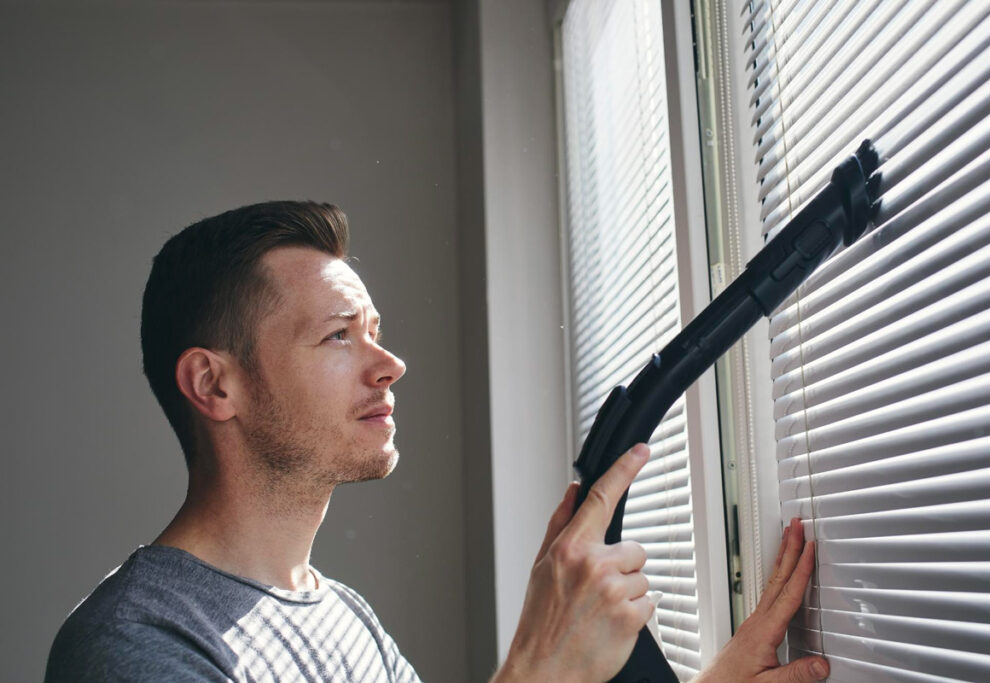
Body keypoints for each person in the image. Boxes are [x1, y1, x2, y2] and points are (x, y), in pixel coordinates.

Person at [45, 201, 829, 682]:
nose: (390, 364)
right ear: (216, 385)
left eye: (376, 333)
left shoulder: (342, 619)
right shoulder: (131, 645)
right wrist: (539, 665)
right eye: (338, 336)